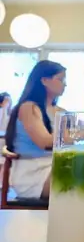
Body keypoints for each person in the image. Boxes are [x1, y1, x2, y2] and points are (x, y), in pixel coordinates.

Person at [5, 60, 66, 199]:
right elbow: (44, 142)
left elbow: (68, 140)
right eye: (61, 79)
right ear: (44, 80)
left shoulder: (59, 111)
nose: (65, 84)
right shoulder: (28, 107)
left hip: (51, 166)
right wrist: (79, 135)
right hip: (33, 173)